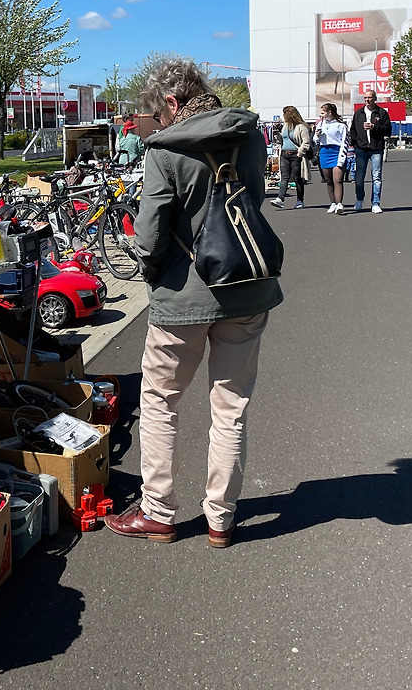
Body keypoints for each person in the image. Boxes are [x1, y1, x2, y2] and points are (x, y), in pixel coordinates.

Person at [104, 59, 282, 549]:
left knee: (160, 401)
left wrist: (152, 273)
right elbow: (254, 200)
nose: (158, 123)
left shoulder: (164, 150)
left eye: (158, 115)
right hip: (247, 286)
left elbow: (150, 237)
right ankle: (221, 519)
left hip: (184, 296)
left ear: (172, 103)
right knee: (231, 407)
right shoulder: (250, 136)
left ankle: (158, 512)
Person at [348, 91, 391, 212]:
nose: (367, 100)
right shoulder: (358, 113)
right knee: (359, 177)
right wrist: (355, 144)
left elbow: (388, 129)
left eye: (370, 97)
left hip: (376, 149)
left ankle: (375, 203)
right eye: (365, 97)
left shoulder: (381, 113)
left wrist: (374, 127)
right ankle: (359, 199)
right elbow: (353, 130)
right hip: (361, 149)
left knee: (376, 176)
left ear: (375, 99)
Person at [270, 106, 312, 210]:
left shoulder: (301, 127)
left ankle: (300, 200)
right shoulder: (285, 126)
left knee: (297, 178)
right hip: (284, 154)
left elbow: (306, 141)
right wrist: (277, 136)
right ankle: (280, 199)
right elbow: (283, 140)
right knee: (284, 177)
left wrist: (300, 152)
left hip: (296, 155)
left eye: (284, 114)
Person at [314, 102, 350, 214]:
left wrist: (341, 158)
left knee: (337, 180)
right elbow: (315, 140)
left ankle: (339, 203)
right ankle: (333, 203)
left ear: (329, 112)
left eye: (322, 113)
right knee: (329, 180)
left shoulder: (341, 125)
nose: (321, 115)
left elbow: (345, 142)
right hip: (325, 152)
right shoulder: (321, 124)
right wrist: (317, 135)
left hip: (337, 152)